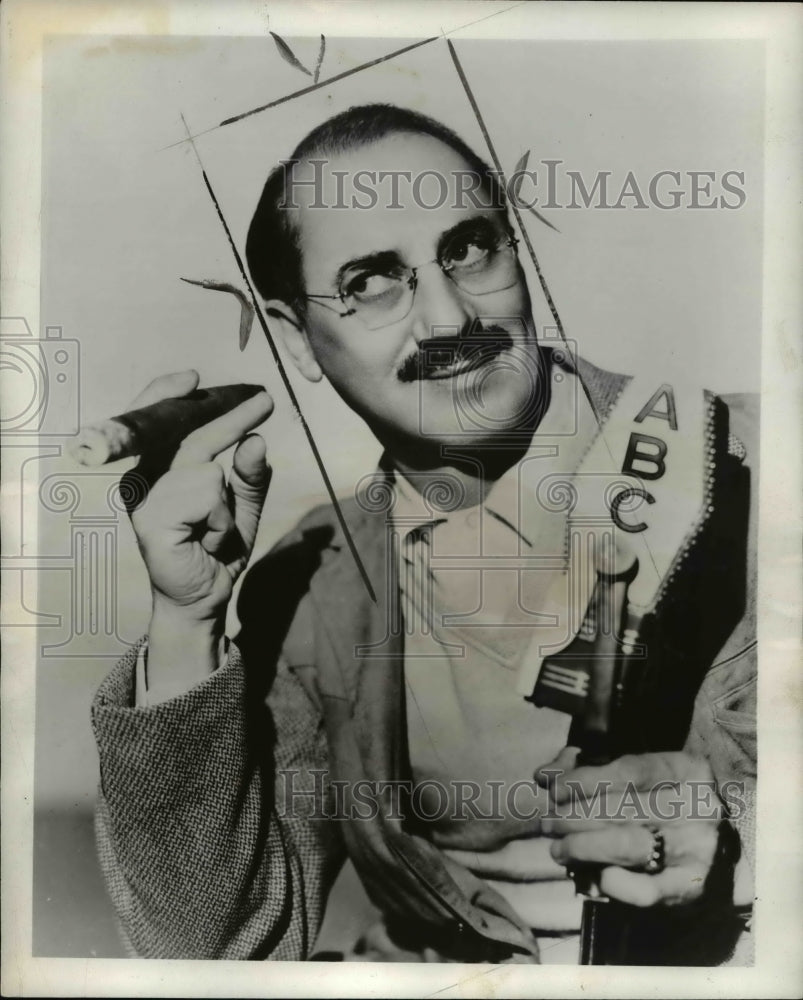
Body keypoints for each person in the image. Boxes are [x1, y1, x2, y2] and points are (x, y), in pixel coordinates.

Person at [91, 104, 757, 964]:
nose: (446, 319)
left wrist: (740, 837)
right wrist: (185, 621)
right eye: (371, 281)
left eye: (467, 248)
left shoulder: (746, 469)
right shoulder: (311, 582)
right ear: (296, 337)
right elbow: (214, 952)